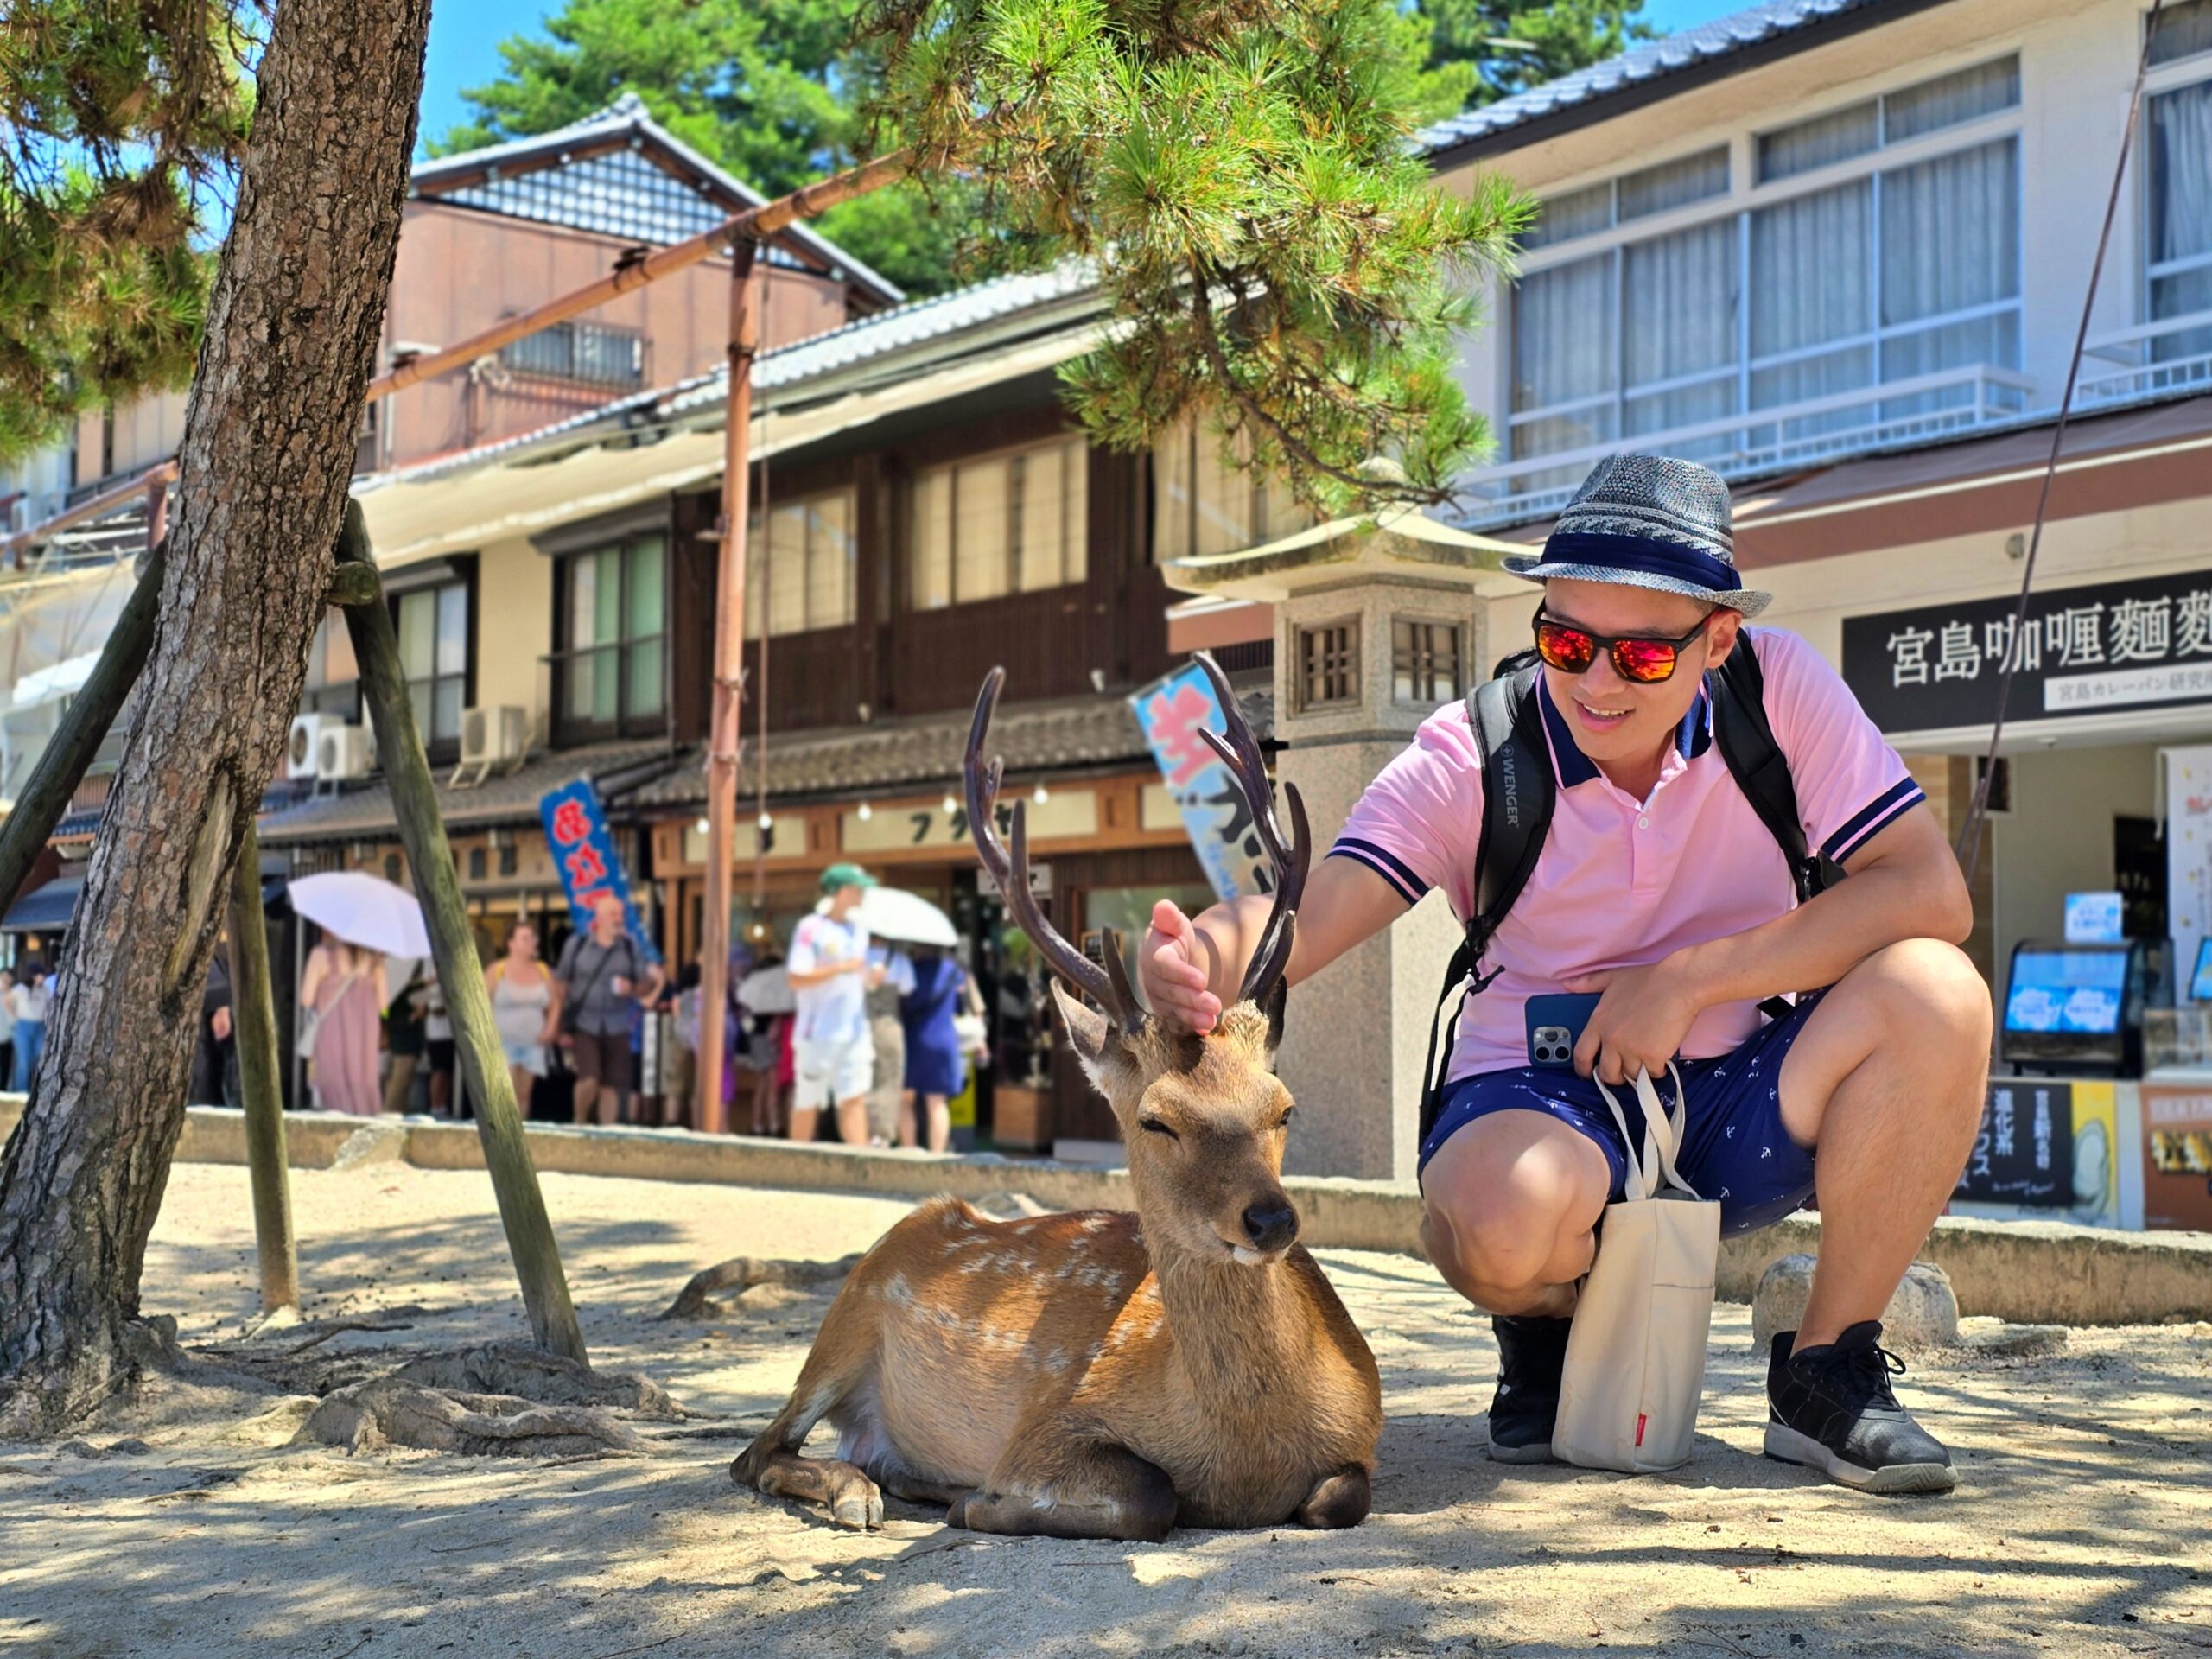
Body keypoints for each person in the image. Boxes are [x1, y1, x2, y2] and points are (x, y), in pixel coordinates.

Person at [1141, 454, 1990, 1496]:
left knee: (1935, 990)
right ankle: (1544, 1326)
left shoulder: (1779, 695)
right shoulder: (1478, 747)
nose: (1594, 682)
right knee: (1507, 1216)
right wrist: (1198, 959)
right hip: (1538, 1093)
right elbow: (1321, 903)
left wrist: (1686, 980)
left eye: (1638, 654)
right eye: (1565, 642)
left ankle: (1825, 1371)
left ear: (1717, 639)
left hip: (1746, 1094)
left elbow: (1926, 891)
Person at [786, 864, 886, 1146]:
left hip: (854, 1030)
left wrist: (872, 978)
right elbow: (795, 977)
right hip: (816, 1033)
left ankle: (860, 1171)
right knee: (808, 1100)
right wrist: (840, 967)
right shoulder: (811, 927)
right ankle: (795, 1165)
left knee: (854, 1097)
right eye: (858, 889)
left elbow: (859, 977)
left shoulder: (859, 930)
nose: (862, 894)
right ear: (842, 891)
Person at [553, 892, 664, 1127]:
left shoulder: (628, 947)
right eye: (613, 914)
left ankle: (607, 1132)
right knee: (589, 1078)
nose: (619, 918)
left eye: (620, 914)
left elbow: (645, 984)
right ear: (599, 918)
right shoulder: (578, 945)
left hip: (617, 1024)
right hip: (584, 1022)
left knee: (612, 1085)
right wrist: (558, 1022)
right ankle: (580, 1121)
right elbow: (561, 982)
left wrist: (631, 988)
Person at [899, 944, 980, 1153]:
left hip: (914, 1038)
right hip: (945, 1038)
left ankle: (908, 1152)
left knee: (906, 1099)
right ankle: (937, 1155)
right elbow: (961, 1007)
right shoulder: (954, 971)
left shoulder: (911, 969)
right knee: (937, 1103)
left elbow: (909, 1003)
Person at [298, 931, 387, 1117]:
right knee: (365, 1079)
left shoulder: (321, 955)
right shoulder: (375, 961)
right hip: (366, 1032)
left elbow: (306, 999)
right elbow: (383, 1004)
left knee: (333, 1079)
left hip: (332, 1029)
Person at [487, 920, 562, 1116]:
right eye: (525, 938)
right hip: (504, 1042)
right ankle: (503, 1136)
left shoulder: (543, 970)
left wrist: (550, 1029)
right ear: (510, 943)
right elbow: (481, 1004)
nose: (531, 942)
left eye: (532, 937)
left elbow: (555, 1003)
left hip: (533, 1041)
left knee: (524, 1095)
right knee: (507, 1092)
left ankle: (521, 1134)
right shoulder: (497, 971)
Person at [737, 931, 796, 1137]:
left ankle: (758, 1124)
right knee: (772, 1084)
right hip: (770, 1035)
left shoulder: (754, 981)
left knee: (762, 1083)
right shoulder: (777, 982)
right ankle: (774, 1125)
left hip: (756, 1035)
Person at [864, 944, 917, 1145]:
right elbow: (908, 989)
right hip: (889, 1024)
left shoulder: (858, 953)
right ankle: (882, 1133)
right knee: (890, 1079)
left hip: (861, 1023)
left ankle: (862, 1131)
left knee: (862, 1079)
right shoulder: (900, 960)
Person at [384, 964, 426, 1116]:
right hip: (404, 1044)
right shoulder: (406, 995)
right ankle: (391, 1112)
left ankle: (395, 1111)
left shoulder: (399, 993)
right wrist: (415, 1015)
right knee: (400, 1081)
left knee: (402, 1081)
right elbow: (398, 1019)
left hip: (403, 1043)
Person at [10, 963, 52, 1093]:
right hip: (23, 1026)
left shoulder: (45, 990)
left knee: (38, 1056)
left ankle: (35, 1089)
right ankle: (21, 1090)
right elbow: (7, 1000)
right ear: (33, 975)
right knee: (24, 1060)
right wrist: (15, 1016)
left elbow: (51, 1004)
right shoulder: (21, 989)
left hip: (40, 1026)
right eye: (40, 975)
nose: (43, 978)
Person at [0, 968, 16, 1092]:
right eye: (4, 976)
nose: (6, 979)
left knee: (5, 1065)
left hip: (8, 1036)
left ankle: (3, 1089)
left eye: (8, 977)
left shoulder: (15, 995)